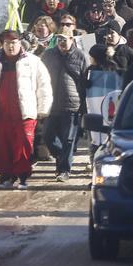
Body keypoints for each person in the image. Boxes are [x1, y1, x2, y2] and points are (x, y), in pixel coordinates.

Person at [0, 30, 53, 189]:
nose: (11, 46)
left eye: (14, 43)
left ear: (20, 43)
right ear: (1, 45)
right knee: (1, 146)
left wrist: (43, 108)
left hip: (24, 112)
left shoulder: (33, 62)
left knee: (23, 145)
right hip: (0, 113)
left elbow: (44, 86)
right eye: (7, 43)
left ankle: (23, 176)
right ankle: (5, 176)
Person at [40, 30, 87, 182]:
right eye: (59, 38)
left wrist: (84, 105)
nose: (61, 42)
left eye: (64, 39)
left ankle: (64, 170)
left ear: (72, 39)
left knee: (68, 139)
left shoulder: (80, 56)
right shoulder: (48, 55)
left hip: (72, 105)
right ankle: (62, 156)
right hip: (51, 104)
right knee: (47, 135)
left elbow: (85, 81)